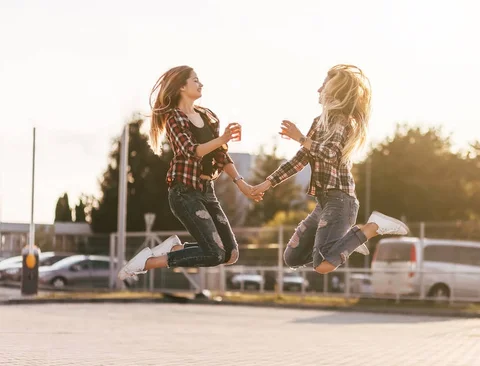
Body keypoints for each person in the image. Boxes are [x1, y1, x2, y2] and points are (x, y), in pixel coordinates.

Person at [251, 64, 409, 275]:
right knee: (292, 257)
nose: (318, 90)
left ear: (334, 91)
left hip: (340, 201)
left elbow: (331, 154)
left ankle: (372, 228)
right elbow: (300, 159)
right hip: (323, 203)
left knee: (323, 265)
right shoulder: (319, 122)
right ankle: (348, 241)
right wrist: (266, 183)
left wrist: (300, 138)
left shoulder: (342, 121)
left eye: (322, 86)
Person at [118, 65, 261, 280]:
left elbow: (220, 155)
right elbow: (191, 151)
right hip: (184, 192)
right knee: (214, 252)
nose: (201, 84)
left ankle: (174, 249)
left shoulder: (208, 116)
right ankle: (148, 262)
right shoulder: (174, 118)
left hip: (207, 191)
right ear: (182, 86)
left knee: (230, 254)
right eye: (195, 80)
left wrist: (242, 184)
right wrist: (222, 138)